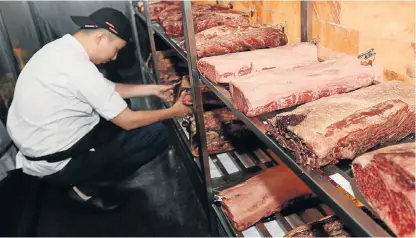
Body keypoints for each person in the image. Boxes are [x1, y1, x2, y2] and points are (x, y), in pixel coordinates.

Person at [6, 7, 192, 211]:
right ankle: (87, 187)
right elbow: (127, 121)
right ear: (101, 37)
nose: (114, 58)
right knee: (162, 131)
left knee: (119, 107)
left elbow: (106, 89)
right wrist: (173, 112)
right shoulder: (77, 68)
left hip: (39, 149)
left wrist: (152, 90)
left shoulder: (60, 50)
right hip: (57, 164)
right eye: (117, 50)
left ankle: (88, 172)